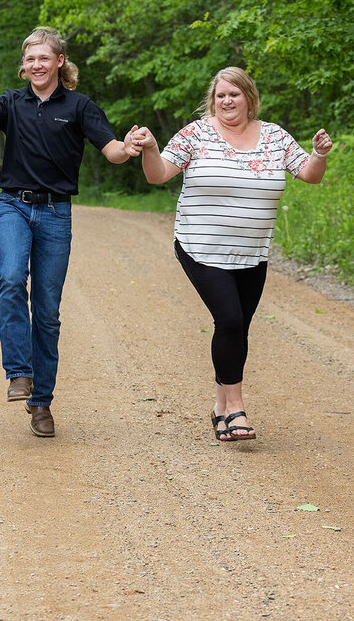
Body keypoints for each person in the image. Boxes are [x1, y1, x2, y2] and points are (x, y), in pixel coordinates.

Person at [0, 27, 139, 438]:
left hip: (57, 214)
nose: (36, 65)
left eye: (44, 58)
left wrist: (128, 148)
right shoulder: (11, 102)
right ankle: (19, 374)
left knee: (47, 313)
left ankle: (41, 403)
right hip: (13, 206)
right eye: (30, 60)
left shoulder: (79, 106)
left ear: (60, 61)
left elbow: (110, 149)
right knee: (9, 279)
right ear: (23, 67)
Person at [130, 66, 332, 442]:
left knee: (238, 328)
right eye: (220, 95)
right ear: (213, 100)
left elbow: (309, 174)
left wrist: (318, 154)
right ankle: (237, 410)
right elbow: (157, 175)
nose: (227, 101)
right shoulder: (197, 133)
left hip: (253, 251)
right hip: (200, 246)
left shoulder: (274, 136)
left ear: (249, 98)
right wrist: (152, 149)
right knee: (230, 320)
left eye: (234, 94)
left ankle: (221, 407)